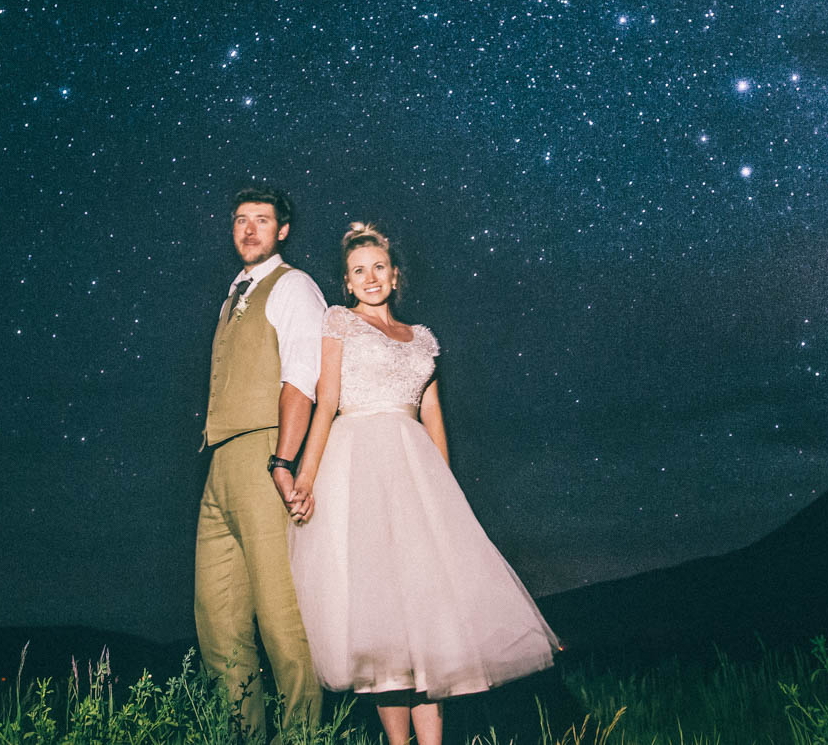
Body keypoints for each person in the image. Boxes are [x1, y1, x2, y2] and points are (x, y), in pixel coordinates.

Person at [287, 223, 558, 745]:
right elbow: (326, 403)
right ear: (346, 283)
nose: (370, 278)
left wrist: (444, 496)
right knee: (381, 614)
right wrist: (305, 475)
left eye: (379, 268)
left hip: (414, 475)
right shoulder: (338, 322)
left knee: (426, 614)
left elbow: (433, 420)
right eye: (359, 271)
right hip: (358, 467)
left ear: (396, 276)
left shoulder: (422, 340)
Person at [194, 185, 326, 742]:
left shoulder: (293, 286)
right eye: (241, 220)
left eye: (262, 220)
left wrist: (282, 459)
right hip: (219, 463)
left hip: (263, 454)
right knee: (219, 627)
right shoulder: (233, 295)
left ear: (283, 230)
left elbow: (302, 376)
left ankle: (302, 737)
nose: (249, 230)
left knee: (281, 621)